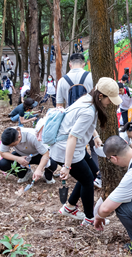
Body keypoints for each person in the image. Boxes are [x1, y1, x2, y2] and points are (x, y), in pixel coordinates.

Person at [51, 77, 121, 228]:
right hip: (67, 149)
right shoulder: (88, 110)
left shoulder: (88, 99)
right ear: (101, 96)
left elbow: (82, 124)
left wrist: (94, 136)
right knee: (88, 181)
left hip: (72, 147)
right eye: (110, 99)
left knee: (91, 173)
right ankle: (90, 218)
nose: (110, 103)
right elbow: (72, 137)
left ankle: (69, 207)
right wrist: (67, 166)